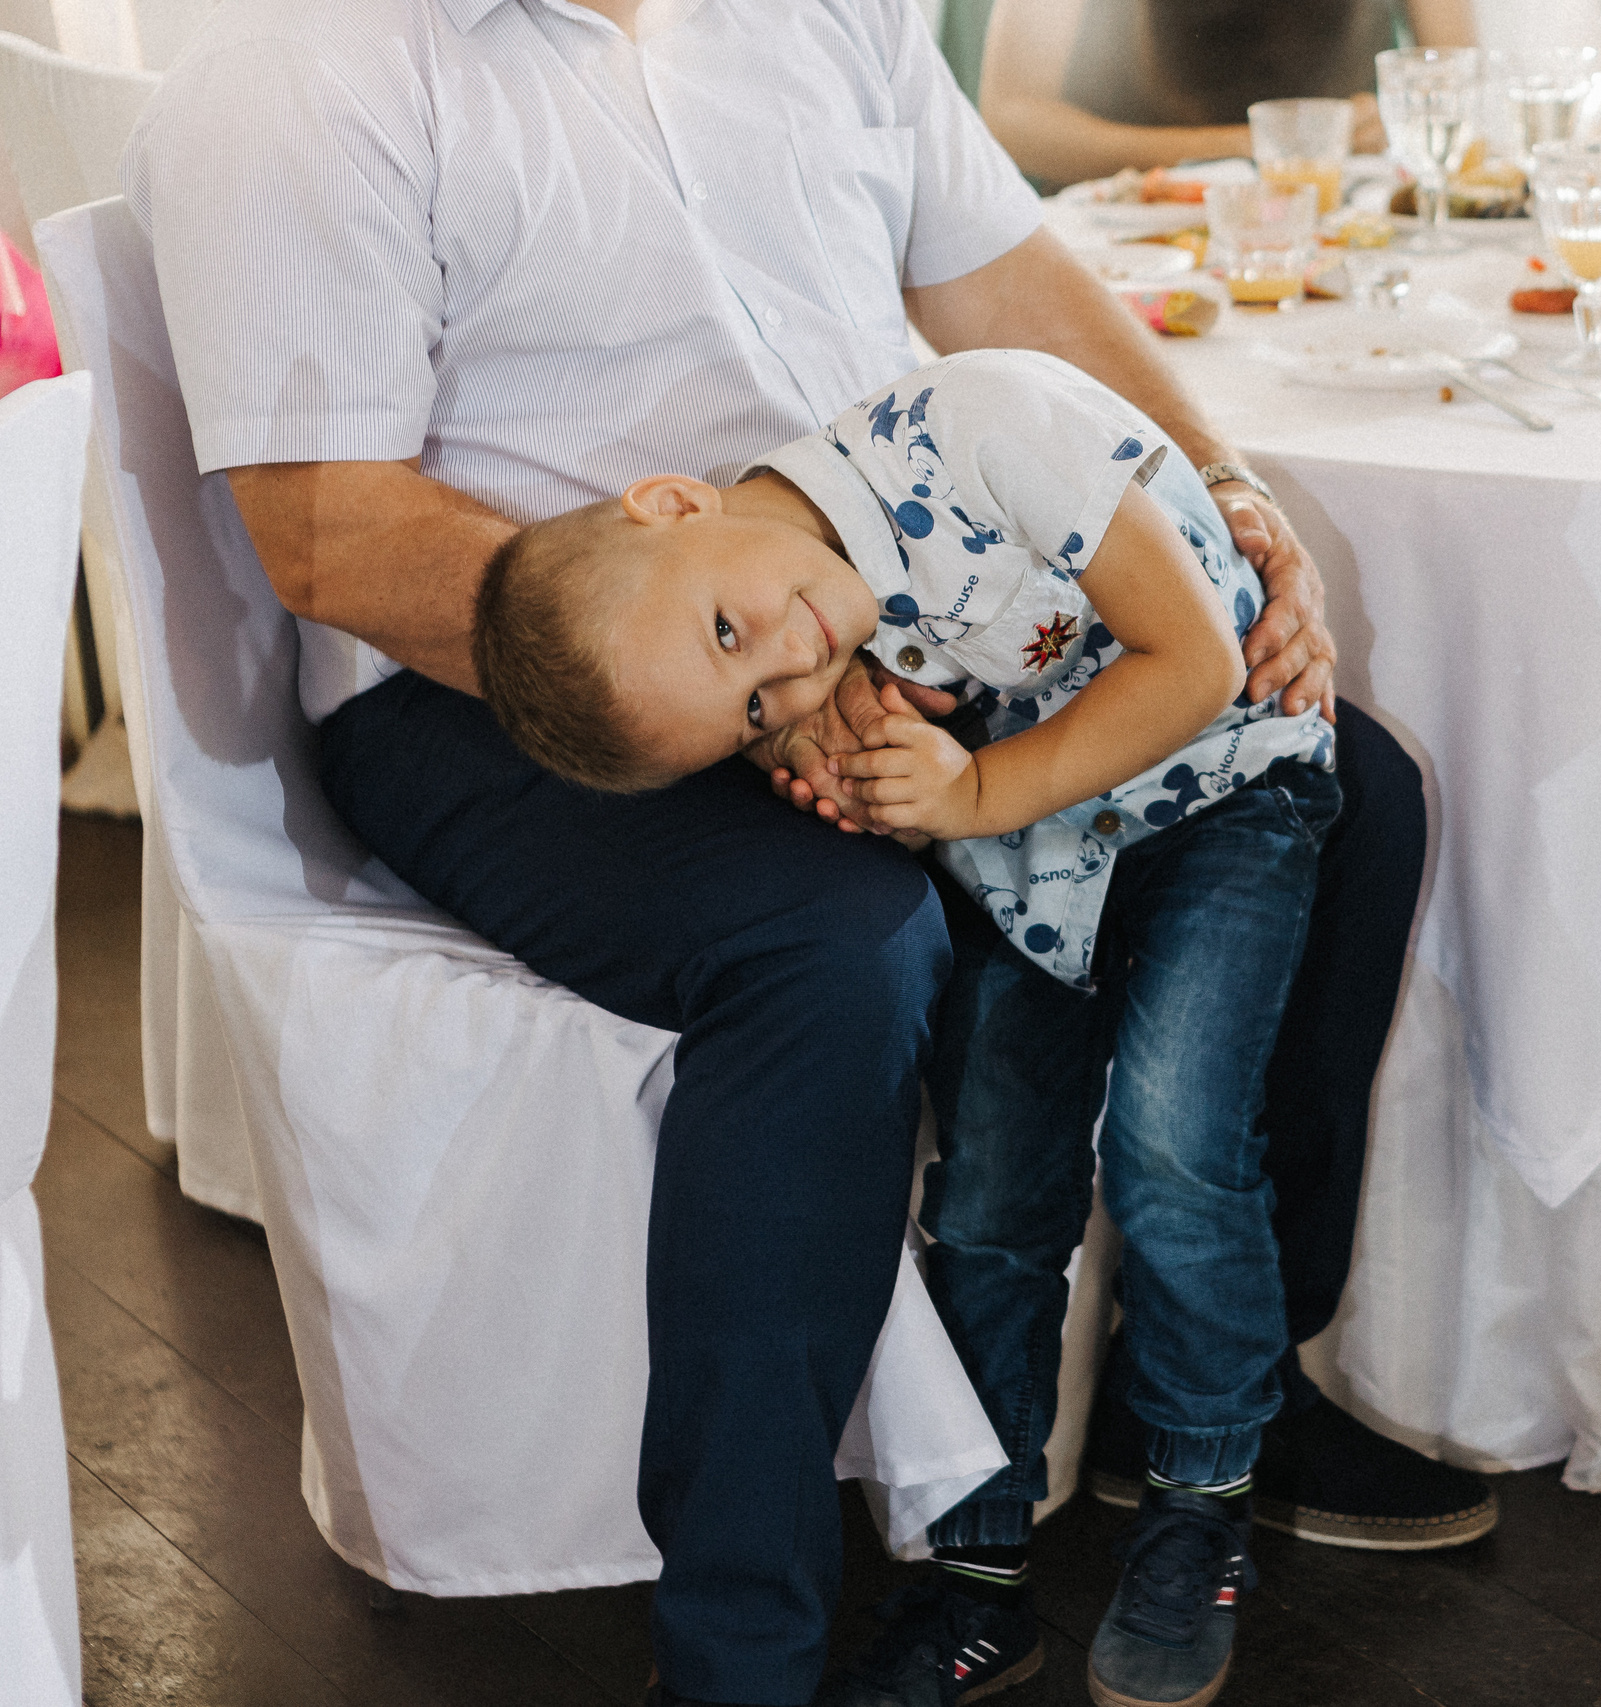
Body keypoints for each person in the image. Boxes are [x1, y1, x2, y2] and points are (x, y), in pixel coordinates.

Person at [123, 1, 1479, 1703]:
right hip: (504, 680)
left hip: (890, 595)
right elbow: (326, 528)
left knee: (1338, 786)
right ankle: (739, 1642)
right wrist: (764, 694)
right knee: (836, 943)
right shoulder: (307, 72)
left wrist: (1219, 495)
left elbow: (1003, 281)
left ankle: (1201, 1395)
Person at [472, 347, 1335, 1707]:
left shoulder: (978, 428)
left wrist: (974, 788)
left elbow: (1200, 661)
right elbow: (834, 722)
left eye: (727, 632)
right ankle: (977, 1577)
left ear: (673, 503)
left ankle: (1200, 1505)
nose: (793, 662)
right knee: (989, 1197)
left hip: (1221, 798)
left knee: (1175, 1144)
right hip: (1036, 851)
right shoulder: (812, 633)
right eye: (754, 704)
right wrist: (837, 764)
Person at [975, 0, 1475, 188]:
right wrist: (1249, 146)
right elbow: (1013, 117)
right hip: (1132, 237)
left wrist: (1391, 119)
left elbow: (1460, 75)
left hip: (1339, 231)